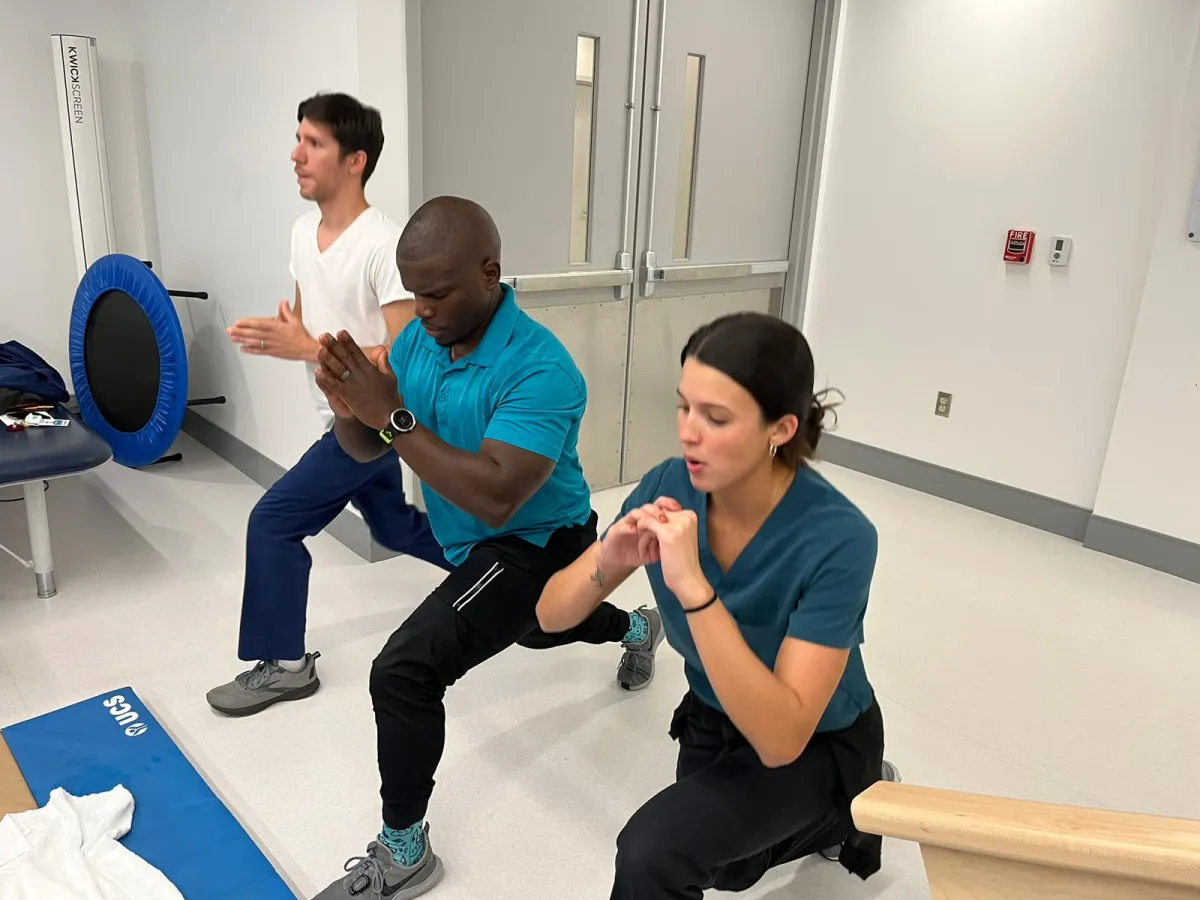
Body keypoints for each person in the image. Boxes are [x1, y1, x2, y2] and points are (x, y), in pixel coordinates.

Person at [308, 196, 665, 899]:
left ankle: (404, 850)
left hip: (539, 539)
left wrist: (391, 413)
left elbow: (497, 494)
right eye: (415, 293)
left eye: (438, 293)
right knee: (534, 630)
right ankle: (637, 627)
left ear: (490, 273)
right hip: (474, 540)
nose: (424, 309)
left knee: (404, 670)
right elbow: (368, 443)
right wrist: (351, 408)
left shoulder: (543, 369)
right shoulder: (418, 343)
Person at [536, 311, 900, 899]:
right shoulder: (667, 484)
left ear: (779, 428)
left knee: (656, 852)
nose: (688, 433)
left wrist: (695, 590)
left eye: (716, 417)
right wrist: (610, 555)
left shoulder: (839, 537)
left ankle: (850, 791)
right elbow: (550, 616)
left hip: (814, 734)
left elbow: (782, 737)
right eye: (684, 407)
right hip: (716, 710)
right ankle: (836, 814)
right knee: (733, 871)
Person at [207, 93, 451, 718]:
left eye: (312, 143)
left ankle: (288, 666)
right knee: (395, 527)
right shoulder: (302, 234)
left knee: (273, 521)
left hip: (373, 425)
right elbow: (313, 326)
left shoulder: (384, 244)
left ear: (355, 161)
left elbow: (408, 353)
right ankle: (497, 563)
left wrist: (306, 345)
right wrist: (292, 336)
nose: (296, 154)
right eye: (298, 139)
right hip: (341, 416)